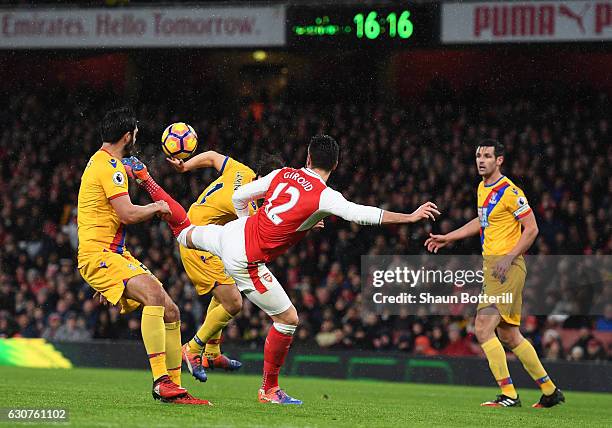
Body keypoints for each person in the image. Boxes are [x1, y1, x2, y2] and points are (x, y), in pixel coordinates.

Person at [128, 134, 439, 404]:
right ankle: (268, 389)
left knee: (182, 231)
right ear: (335, 165)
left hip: (228, 234)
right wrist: (410, 217)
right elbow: (362, 215)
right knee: (287, 320)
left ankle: (146, 179)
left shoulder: (283, 174)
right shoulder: (324, 195)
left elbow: (240, 196)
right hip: (245, 259)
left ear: (307, 156)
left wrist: (247, 222)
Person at [77, 107, 209, 405]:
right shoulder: (108, 167)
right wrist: (156, 208)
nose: (136, 136)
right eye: (135, 132)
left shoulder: (103, 163)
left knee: (171, 310)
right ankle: (161, 381)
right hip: (100, 254)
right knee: (152, 296)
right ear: (127, 136)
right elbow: (127, 213)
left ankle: (174, 388)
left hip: (112, 254)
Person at [425, 139, 564, 408]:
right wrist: (449, 237)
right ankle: (550, 391)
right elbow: (483, 220)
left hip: (506, 267)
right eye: (478, 155)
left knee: (483, 327)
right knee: (510, 335)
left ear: (499, 160)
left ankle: (509, 394)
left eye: (487, 156)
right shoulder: (482, 188)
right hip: (494, 268)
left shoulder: (511, 191)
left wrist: (510, 257)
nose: (481, 160)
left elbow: (532, 229)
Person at [126, 150, 283, 382]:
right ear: (261, 179)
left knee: (223, 295)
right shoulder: (247, 205)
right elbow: (258, 236)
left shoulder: (242, 171)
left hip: (204, 236)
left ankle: (212, 353)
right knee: (233, 302)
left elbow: (211, 156)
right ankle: (192, 348)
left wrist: (185, 167)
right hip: (197, 242)